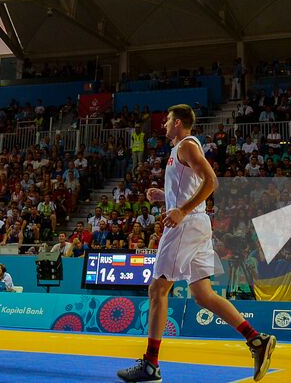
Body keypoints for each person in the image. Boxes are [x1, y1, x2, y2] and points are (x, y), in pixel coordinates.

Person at [118, 104, 276, 382]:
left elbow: (211, 181)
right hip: (197, 225)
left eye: (167, 120)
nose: (164, 125)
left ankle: (150, 365)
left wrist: (181, 210)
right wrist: (164, 198)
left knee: (157, 289)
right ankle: (256, 340)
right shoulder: (179, 150)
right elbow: (187, 187)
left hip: (186, 226)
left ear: (178, 122)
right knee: (203, 295)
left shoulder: (187, 146)